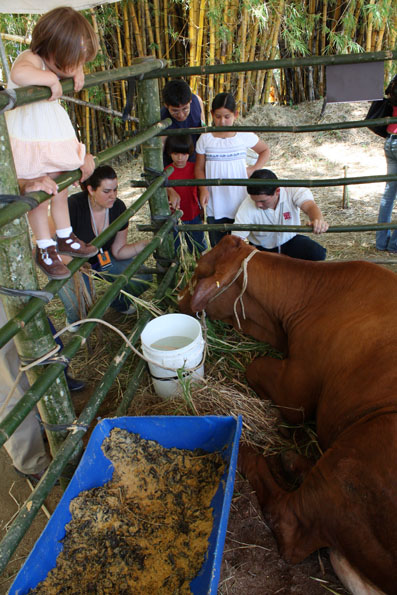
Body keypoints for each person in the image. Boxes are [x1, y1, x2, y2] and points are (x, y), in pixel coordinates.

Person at [5, 7, 100, 281]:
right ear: (51, 46)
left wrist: (76, 68)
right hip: (30, 141)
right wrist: (50, 78)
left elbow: (68, 64)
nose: (71, 70)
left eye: (77, 62)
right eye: (69, 62)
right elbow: (20, 74)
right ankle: (44, 247)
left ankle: (64, 235)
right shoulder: (31, 58)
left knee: (60, 189)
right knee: (37, 197)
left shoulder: (56, 60)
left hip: (49, 137)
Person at [57, 165, 152, 324]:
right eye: (106, 191)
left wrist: (143, 245)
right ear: (91, 190)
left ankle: (118, 303)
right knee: (81, 309)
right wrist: (75, 265)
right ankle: (75, 319)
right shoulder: (73, 206)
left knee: (142, 277)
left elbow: (118, 251)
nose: (113, 196)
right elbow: (56, 247)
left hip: (104, 259)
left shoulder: (118, 208)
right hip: (74, 265)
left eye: (115, 189)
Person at [194, 92, 270, 247]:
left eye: (227, 117)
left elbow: (265, 150)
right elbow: (199, 168)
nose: (222, 121)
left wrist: (254, 169)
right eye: (218, 116)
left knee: (239, 242)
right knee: (218, 244)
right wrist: (203, 189)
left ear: (235, 114)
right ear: (211, 114)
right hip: (215, 198)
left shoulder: (243, 135)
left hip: (239, 197)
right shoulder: (205, 138)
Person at [232, 169, 328, 260]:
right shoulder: (247, 206)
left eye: (263, 201)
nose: (258, 205)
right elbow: (236, 238)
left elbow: (309, 206)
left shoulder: (291, 190)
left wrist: (317, 220)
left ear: (277, 191)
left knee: (317, 253)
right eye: (254, 200)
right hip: (261, 250)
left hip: (289, 241)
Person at [164, 135, 207, 255]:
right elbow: (160, 191)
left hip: (194, 215)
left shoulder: (195, 169)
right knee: (176, 249)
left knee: (199, 246)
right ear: (169, 153)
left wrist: (203, 210)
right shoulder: (166, 172)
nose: (180, 158)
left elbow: (200, 190)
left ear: (190, 153)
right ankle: (179, 268)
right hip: (174, 217)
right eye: (176, 154)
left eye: (184, 154)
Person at [161, 79, 205, 166]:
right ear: (166, 105)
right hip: (172, 166)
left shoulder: (198, 101)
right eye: (175, 111)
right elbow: (160, 149)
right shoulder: (161, 119)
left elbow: (203, 129)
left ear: (190, 101)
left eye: (185, 109)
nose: (181, 115)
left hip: (195, 161)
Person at [376, 76, 397, 253]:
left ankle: (381, 243)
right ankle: (394, 245)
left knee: (388, 195)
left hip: (390, 139)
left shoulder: (395, 81)